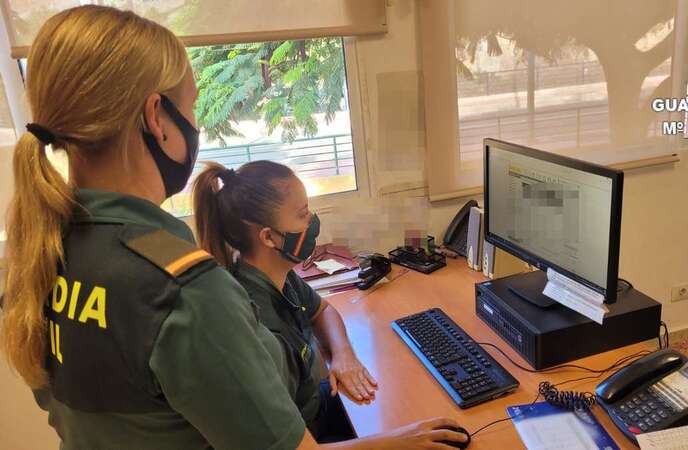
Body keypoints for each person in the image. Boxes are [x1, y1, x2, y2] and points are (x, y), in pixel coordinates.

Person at [0, 5, 468, 450]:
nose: (195, 124)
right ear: (157, 119)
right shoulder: (184, 290)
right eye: (192, 107)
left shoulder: (45, 253)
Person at [192, 160, 374, 441]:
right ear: (268, 237)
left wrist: (343, 354)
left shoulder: (278, 275)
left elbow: (322, 310)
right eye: (302, 215)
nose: (311, 221)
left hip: (315, 408)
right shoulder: (256, 321)